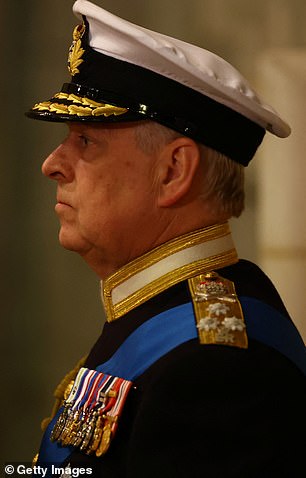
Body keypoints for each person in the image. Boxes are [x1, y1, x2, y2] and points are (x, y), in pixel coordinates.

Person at [26, 0, 306, 477]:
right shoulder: (159, 314)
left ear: (174, 171)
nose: (51, 164)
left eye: (86, 141)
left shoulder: (215, 368)